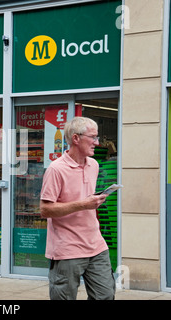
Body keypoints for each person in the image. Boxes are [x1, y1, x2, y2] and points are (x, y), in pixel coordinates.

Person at [39, 117, 115, 300]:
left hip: (96, 245)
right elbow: (45, 210)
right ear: (76, 139)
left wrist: (95, 200)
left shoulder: (94, 165)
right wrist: (83, 204)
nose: (97, 143)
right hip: (67, 248)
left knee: (105, 296)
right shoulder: (56, 169)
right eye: (93, 137)